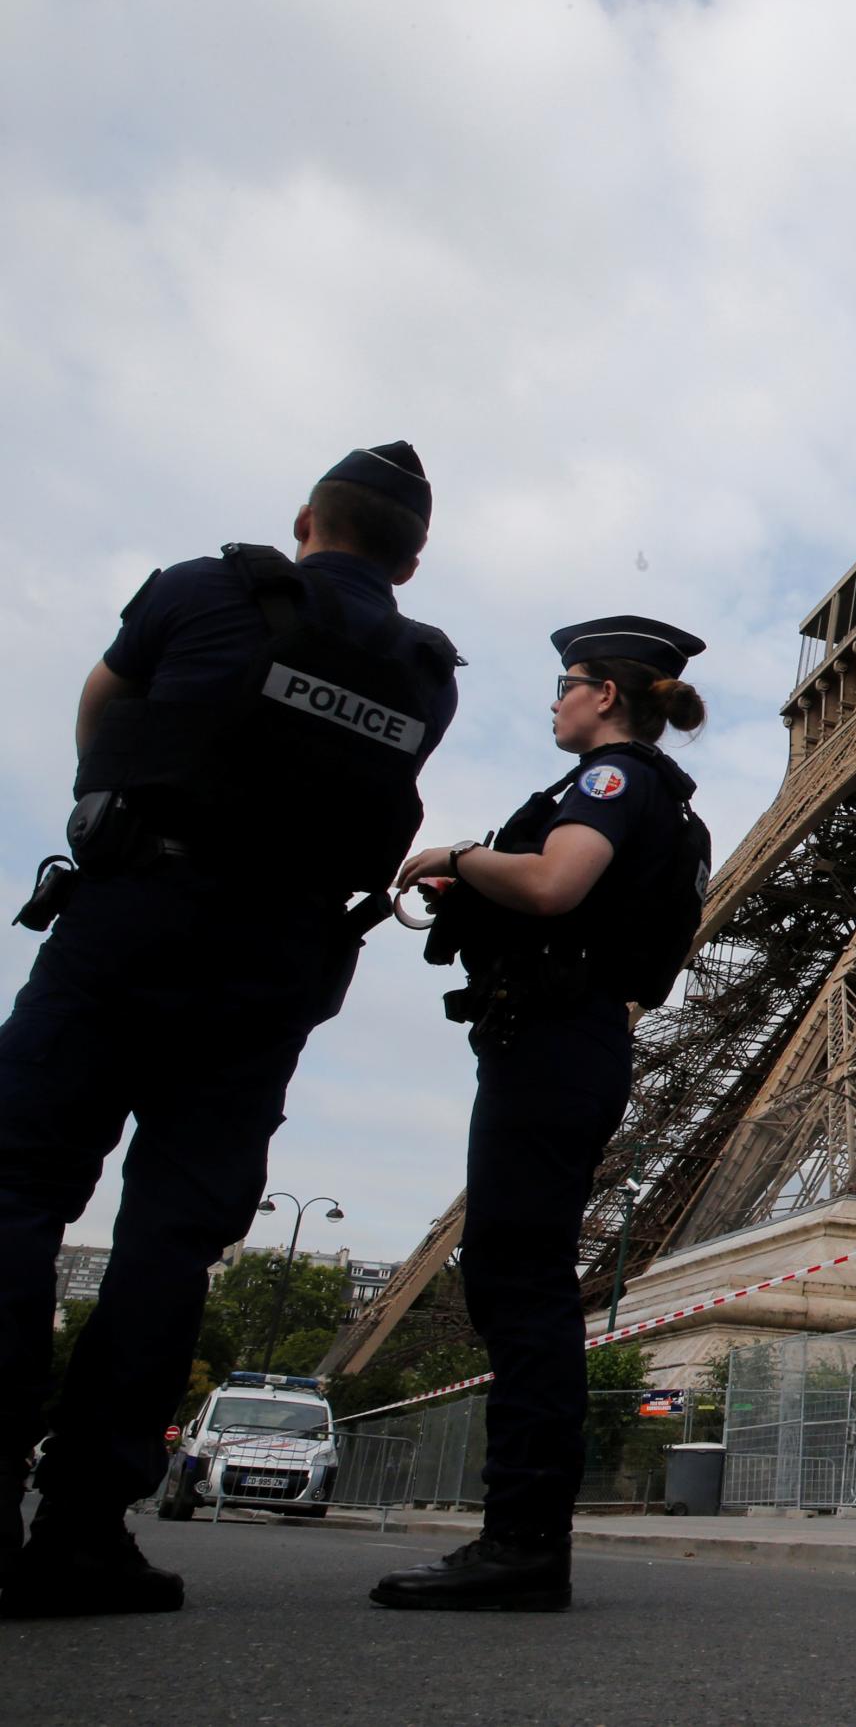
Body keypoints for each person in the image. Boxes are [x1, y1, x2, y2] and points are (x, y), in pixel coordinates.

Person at [0, 444, 458, 1617]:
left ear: (307, 519)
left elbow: (106, 707)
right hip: (273, 967)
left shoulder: (202, 589)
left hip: (133, 915)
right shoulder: (423, 671)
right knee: (169, 1242)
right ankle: (88, 1530)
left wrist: (116, 807)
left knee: (18, 1188)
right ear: (412, 560)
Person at [371, 617, 710, 1613]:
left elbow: (557, 884)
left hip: (553, 1039)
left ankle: (521, 1541)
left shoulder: (612, 783)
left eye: (566, 684)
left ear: (606, 695)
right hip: (577, 1037)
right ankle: (522, 1536)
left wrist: (462, 857)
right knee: (524, 1280)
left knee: (519, 1284)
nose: (554, 700)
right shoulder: (665, 805)